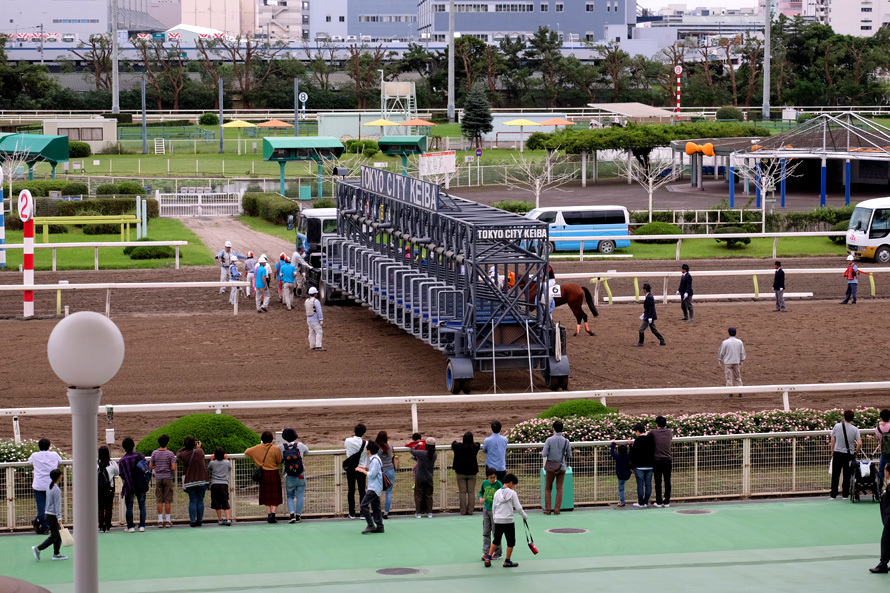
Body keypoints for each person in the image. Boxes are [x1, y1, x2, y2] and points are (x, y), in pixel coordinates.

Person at [483, 473, 527, 568]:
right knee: (511, 541)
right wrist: (524, 515)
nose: (513, 487)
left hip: (498, 520)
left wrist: (495, 517)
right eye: (514, 485)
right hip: (508, 521)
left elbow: (494, 507)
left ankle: (488, 558)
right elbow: (518, 507)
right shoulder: (512, 493)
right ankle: (507, 561)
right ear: (511, 483)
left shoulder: (497, 493)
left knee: (496, 540)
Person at [245, 431, 283, 523]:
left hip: (264, 474)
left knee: (266, 495)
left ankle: (269, 514)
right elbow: (279, 460)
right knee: (275, 495)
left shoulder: (257, 448)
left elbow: (246, 451)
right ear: (271, 439)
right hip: (274, 473)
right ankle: (273, 514)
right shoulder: (275, 449)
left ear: (262, 439)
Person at [28, 438, 61, 535]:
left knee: (42, 507)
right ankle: (44, 524)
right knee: (52, 507)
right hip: (51, 485)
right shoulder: (54, 455)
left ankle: (42, 523)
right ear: (49, 447)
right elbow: (60, 461)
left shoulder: (35, 456)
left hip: (39, 486)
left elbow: (29, 462)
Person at [31, 469, 66, 561]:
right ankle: (38, 549)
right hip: (53, 515)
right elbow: (57, 505)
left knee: (58, 536)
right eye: (61, 475)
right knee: (54, 536)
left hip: (48, 514)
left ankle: (57, 553)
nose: (61, 476)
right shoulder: (56, 490)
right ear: (59, 477)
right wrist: (59, 517)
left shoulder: (49, 487)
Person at [176, 436, 209, 527]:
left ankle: (193, 520)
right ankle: (200, 520)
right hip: (202, 480)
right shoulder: (200, 451)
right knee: (200, 500)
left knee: (192, 500)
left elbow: (178, 453)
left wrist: (185, 447)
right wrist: (197, 447)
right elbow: (199, 452)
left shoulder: (183, 455)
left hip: (190, 481)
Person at [829, 410, 862, 500]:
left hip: (837, 452)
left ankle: (833, 494)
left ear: (844, 417)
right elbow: (859, 443)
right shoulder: (855, 429)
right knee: (847, 475)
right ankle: (845, 494)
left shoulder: (837, 426)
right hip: (849, 454)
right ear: (852, 418)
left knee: (836, 474)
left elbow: (832, 440)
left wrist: (832, 450)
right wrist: (856, 451)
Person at [541, 420, 572, 515]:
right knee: (559, 488)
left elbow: (544, 454)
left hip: (551, 467)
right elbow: (569, 455)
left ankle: (548, 509)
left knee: (548, 488)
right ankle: (557, 509)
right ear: (562, 429)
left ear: (553, 428)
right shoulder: (566, 441)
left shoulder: (549, 440)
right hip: (562, 466)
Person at [279, 428, 309, 523]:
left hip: (289, 475)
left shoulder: (281, 447)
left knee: (289, 495)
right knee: (300, 494)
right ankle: (298, 515)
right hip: (300, 474)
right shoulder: (300, 445)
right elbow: (307, 451)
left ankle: (291, 514)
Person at [118, 436, 147, 532]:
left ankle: (130, 527)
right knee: (142, 505)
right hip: (141, 484)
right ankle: (142, 526)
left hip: (129, 486)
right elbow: (145, 468)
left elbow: (122, 475)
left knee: (129, 507)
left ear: (124, 447)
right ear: (133, 445)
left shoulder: (122, 461)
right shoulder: (140, 456)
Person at [356, 440, 385, 534]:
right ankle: (379, 526)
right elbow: (374, 471)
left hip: (374, 487)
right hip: (376, 486)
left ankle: (370, 524)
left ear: (369, 450)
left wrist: (362, 471)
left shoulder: (375, 460)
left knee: (363, 505)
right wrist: (366, 468)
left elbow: (372, 475)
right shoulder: (376, 458)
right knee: (376, 506)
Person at [149, 434, 177, 529]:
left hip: (158, 477)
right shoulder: (170, 454)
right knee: (168, 499)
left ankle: (160, 520)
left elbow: (151, 466)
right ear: (167, 442)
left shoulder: (154, 453)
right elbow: (173, 467)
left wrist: (158, 467)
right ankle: (168, 520)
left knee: (159, 499)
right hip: (168, 477)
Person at [452, 432, 481, 515]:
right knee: (471, 492)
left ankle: (463, 510)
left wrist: (459, 442)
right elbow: (478, 444)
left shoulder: (458, 447)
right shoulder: (475, 447)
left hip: (460, 472)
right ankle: (470, 510)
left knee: (462, 492)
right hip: (472, 472)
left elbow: (453, 443)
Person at [345, 424, 369, 519]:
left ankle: (352, 513)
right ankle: (363, 512)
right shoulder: (366, 443)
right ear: (363, 433)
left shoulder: (348, 441)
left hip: (351, 468)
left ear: (354, 431)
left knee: (351, 490)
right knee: (362, 490)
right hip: (361, 469)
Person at [478, 468, 503, 561]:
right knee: (486, 531)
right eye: (490, 477)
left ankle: (498, 552)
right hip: (486, 510)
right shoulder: (484, 483)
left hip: (495, 511)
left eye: (494, 477)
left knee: (496, 532)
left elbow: (503, 495)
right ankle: (486, 552)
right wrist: (480, 497)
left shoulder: (498, 484)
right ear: (487, 477)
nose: (492, 479)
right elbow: (480, 492)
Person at [870, 464, 890, 573]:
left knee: (886, 540)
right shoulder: (887, 484)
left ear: (888, 472)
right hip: (887, 516)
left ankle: (883, 564)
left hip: (889, 518)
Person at [629, 423, 655, 508]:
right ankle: (646, 502)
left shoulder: (638, 440)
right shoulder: (651, 439)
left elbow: (634, 454)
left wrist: (630, 445)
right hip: (650, 465)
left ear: (637, 431)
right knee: (648, 484)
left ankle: (640, 502)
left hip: (639, 466)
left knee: (640, 485)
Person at [411, 436, 437, 518]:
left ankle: (418, 513)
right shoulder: (434, 455)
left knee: (418, 495)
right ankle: (429, 512)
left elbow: (412, 451)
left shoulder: (422, 453)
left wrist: (418, 445)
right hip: (429, 477)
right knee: (429, 495)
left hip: (420, 477)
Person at [650, 416, 673, 508]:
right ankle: (666, 501)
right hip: (667, 459)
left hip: (657, 460)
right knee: (667, 481)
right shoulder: (669, 432)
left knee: (658, 481)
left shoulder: (653, 432)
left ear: (657, 424)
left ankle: (658, 501)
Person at [718, 327, 746, 397]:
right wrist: (741, 360)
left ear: (728, 333)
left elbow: (721, 352)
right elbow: (742, 352)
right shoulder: (739, 342)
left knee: (729, 378)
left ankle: (730, 392)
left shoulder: (725, 342)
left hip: (728, 362)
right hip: (736, 361)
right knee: (737, 377)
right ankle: (740, 391)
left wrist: (720, 359)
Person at [208, 447, 232, 526]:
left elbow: (209, 468)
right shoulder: (227, 462)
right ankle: (228, 518)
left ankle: (220, 519)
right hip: (224, 484)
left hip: (215, 484)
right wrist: (227, 458)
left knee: (216, 501)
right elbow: (229, 468)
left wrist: (211, 459)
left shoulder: (213, 463)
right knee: (225, 501)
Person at [97, 445, 119, 533]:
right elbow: (117, 473)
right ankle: (107, 526)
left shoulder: (96, 464)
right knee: (109, 507)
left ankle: (101, 526)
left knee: (100, 507)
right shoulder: (113, 463)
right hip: (109, 488)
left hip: (98, 488)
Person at [375, 431, 396, 519]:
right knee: (389, 492)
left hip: (381, 471)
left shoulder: (377, 448)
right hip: (391, 470)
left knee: (377, 492)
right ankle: (386, 512)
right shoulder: (390, 447)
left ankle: (377, 511)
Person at [610, 441, 632, 508]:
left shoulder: (617, 457)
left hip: (620, 476)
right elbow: (632, 452)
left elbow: (612, 453)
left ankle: (622, 502)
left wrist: (613, 444)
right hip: (628, 474)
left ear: (618, 451)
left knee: (621, 489)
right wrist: (630, 445)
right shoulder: (628, 456)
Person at [305, 286, 325, 351]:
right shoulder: (316, 301)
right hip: (315, 320)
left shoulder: (307, 301)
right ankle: (318, 346)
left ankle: (312, 345)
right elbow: (319, 311)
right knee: (319, 332)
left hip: (309, 319)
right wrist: (321, 319)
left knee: (311, 332)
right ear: (314, 294)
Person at [876, 409, 890, 489]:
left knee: (881, 471)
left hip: (884, 453)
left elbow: (878, 439)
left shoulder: (878, 428)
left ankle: (880, 488)